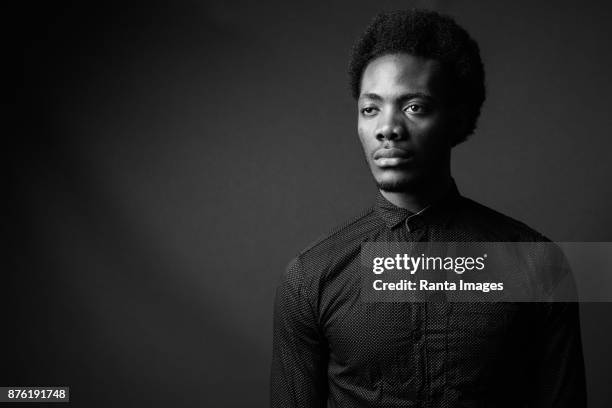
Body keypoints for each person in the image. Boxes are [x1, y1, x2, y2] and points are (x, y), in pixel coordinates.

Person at [270, 9, 586, 407]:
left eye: (414, 106)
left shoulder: (537, 265)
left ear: (457, 118)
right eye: (371, 109)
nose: (388, 128)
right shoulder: (311, 277)